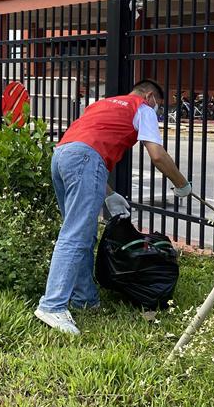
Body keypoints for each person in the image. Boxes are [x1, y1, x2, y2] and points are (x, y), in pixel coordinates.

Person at [34, 79, 191, 336]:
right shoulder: (142, 108)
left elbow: (85, 145)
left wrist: (109, 194)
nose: (157, 113)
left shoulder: (103, 104)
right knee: (76, 234)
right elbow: (157, 155)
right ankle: (52, 305)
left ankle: (85, 299)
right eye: (159, 107)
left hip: (61, 156)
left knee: (79, 233)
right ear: (151, 97)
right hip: (85, 159)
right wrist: (181, 184)